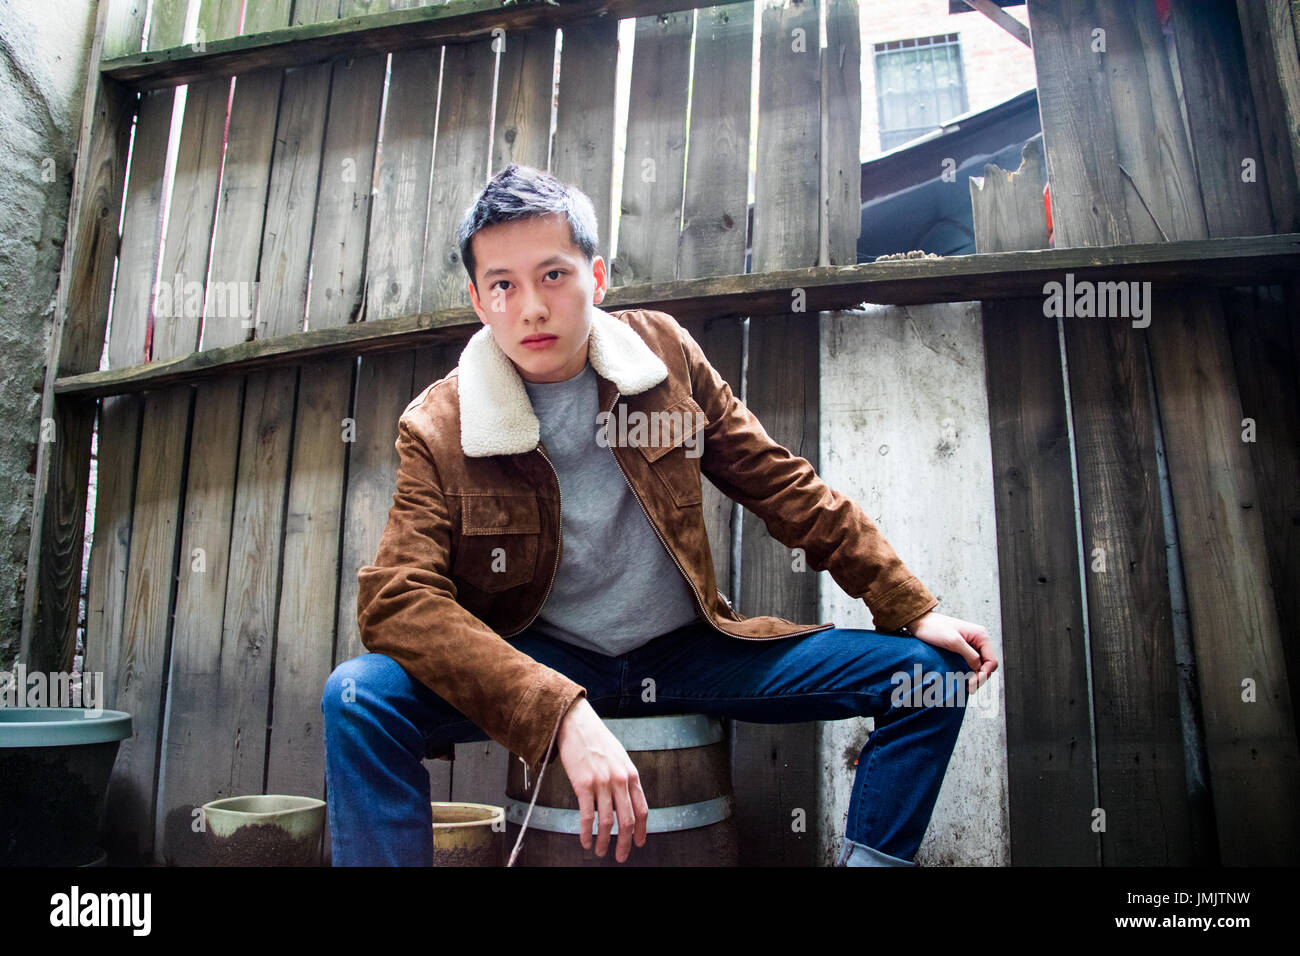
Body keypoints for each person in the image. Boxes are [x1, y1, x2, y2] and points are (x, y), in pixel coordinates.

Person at [321, 163, 998, 867]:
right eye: (503, 285)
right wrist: (554, 706)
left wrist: (909, 605)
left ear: (598, 276)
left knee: (931, 675)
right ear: (478, 300)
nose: (531, 307)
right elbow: (398, 602)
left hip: (689, 651)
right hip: (540, 657)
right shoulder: (439, 424)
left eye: (553, 274)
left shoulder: (664, 356)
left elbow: (780, 484)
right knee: (359, 698)